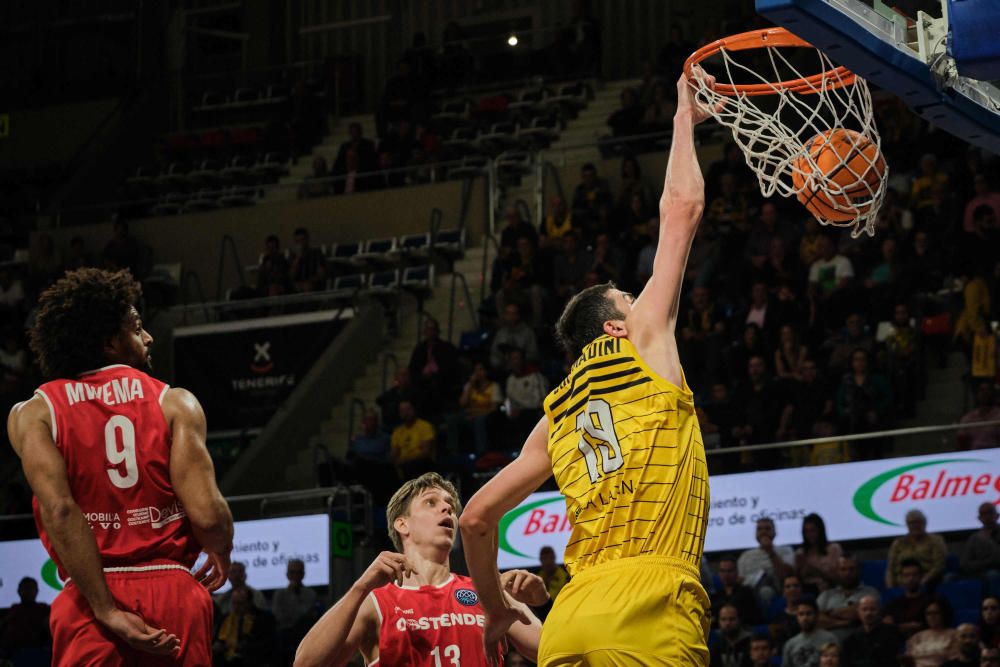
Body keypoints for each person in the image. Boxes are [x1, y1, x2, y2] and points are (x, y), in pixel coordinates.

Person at [461, 70, 718, 666]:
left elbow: (475, 519)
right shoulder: (646, 343)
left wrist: (495, 604)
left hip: (569, 622)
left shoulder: (554, 416)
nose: (644, 300)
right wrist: (684, 118)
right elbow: (682, 209)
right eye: (631, 298)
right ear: (616, 327)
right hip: (650, 608)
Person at [7, 268, 233, 665]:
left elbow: (60, 509)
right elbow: (209, 516)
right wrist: (221, 549)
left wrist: (106, 608)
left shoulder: (34, 413)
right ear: (111, 342)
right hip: (172, 589)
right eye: (137, 328)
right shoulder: (175, 403)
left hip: (89, 594)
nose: (148, 338)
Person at [295, 473, 544, 666]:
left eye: (450, 505)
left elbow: (549, 651)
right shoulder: (376, 603)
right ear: (403, 524)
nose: (447, 509)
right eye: (431, 503)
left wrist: (527, 602)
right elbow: (306, 663)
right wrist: (360, 588)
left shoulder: (484, 593)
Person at [816, 556, 880, 641]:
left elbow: (855, 613)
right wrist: (844, 623)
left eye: (852, 569)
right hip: (829, 647)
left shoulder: (870, 592)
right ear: (837, 572)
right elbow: (816, 620)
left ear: (859, 570)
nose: (847, 573)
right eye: (843, 569)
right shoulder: (826, 595)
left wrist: (830, 613)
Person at [738, 517, 795, 609]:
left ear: (775, 532)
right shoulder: (746, 556)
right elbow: (740, 581)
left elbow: (786, 576)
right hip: (751, 593)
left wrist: (770, 551)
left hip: (778, 590)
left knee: (766, 591)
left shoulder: (785, 551)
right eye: (759, 529)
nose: (763, 532)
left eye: (767, 529)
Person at [213, 587, 277, 666]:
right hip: (226, 659)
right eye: (234, 603)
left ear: (249, 602)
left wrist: (243, 646)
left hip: (251, 659)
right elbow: (218, 640)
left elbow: (267, 644)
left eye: (240, 603)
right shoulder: (225, 619)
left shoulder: (263, 619)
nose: (236, 607)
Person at [886, 510, 948, 588]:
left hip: (928, 582)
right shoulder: (898, 543)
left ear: (924, 524)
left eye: (917, 522)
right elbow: (890, 569)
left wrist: (923, 581)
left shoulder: (936, 541)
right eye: (911, 523)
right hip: (901, 583)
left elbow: (939, 566)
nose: (914, 526)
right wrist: (891, 589)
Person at [272, 559, 318, 663]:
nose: (295, 575)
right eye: (292, 572)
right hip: (286, 635)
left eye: (299, 572)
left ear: (303, 574)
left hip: (306, 635)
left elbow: (307, 615)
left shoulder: (311, 594)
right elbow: (278, 616)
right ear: (287, 574)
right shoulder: (279, 595)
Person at [840, 594, 902, 667]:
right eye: (864, 609)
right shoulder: (850, 640)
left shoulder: (892, 633)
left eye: (873, 609)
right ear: (858, 612)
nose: (868, 613)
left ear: (879, 611)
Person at [0, 577, 50, 657]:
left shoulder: (43, 609)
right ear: (19, 591)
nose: (27, 592)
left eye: (30, 588)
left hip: (37, 653)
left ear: (36, 591)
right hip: (11, 654)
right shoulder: (14, 609)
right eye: (25, 588)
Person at [883, 558, 932, 638]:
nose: (911, 579)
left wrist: (899, 627)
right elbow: (887, 626)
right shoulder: (893, 604)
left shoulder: (931, 601)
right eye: (906, 575)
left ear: (921, 577)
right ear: (901, 578)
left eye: (914, 575)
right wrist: (908, 626)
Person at [796, 513, 843, 593]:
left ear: (820, 530)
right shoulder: (801, 553)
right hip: (806, 590)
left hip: (829, 590)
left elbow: (839, 577)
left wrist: (816, 571)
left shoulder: (833, 549)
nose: (810, 535)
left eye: (813, 530)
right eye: (806, 531)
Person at [783, 599, 838, 667]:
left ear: (816, 615)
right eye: (801, 614)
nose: (805, 618)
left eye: (808, 614)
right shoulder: (790, 644)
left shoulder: (829, 638)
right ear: (797, 617)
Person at [905, 600, 959, 667]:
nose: (932, 616)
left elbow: (955, 661)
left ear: (944, 614)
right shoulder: (917, 636)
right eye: (928, 613)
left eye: (936, 613)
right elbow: (907, 660)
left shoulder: (954, 635)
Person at [960, 501, 1000, 583]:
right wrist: (986, 563)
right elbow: (965, 563)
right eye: (983, 514)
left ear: (997, 516)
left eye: (990, 513)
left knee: (992, 575)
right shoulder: (974, 538)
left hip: (996, 572)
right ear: (979, 518)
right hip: (978, 572)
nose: (987, 516)